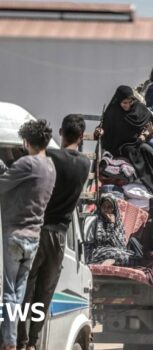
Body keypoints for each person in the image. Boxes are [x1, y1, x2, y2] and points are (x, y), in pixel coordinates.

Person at [16, 114, 90, 350]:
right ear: (80, 136)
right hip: (58, 238)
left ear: (61, 132)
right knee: (44, 294)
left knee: (25, 288)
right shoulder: (85, 165)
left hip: (36, 231)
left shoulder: (50, 156)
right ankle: (33, 342)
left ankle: (21, 341)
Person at [0, 120, 56, 350]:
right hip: (34, 236)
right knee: (20, 292)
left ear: (26, 141)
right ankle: (12, 339)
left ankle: (10, 342)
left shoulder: (27, 163)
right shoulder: (51, 167)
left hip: (15, 235)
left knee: (10, 292)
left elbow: (2, 185)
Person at [97, 85, 153, 193]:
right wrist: (99, 132)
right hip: (121, 146)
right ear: (118, 101)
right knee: (133, 152)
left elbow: (152, 122)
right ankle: (152, 185)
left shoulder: (139, 108)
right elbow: (103, 128)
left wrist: (146, 134)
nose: (127, 105)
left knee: (147, 149)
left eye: (130, 102)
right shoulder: (112, 113)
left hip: (139, 141)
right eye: (124, 103)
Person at [84, 194, 138, 265]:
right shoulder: (95, 219)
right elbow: (98, 243)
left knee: (131, 256)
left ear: (114, 209)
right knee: (120, 255)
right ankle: (106, 261)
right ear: (100, 207)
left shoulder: (117, 222)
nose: (106, 210)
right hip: (94, 252)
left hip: (111, 250)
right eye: (104, 207)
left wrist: (112, 224)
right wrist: (110, 225)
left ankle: (111, 261)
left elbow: (120, 245)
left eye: (109, 207)